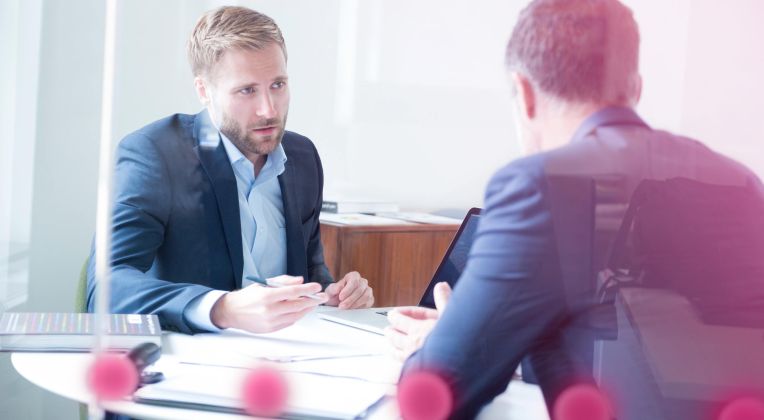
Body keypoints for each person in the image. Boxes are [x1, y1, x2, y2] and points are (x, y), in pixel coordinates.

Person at [385, 0, 763, 418]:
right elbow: (640, 354)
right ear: (635, 89)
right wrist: (478, 336)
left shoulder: (539, 185)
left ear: (525, 94)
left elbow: (440, 391)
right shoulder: (740, 181)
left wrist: (439, 347)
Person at [86, 6, 373, 334]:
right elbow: (105, 290)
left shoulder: (302, 157)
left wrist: (334, 295)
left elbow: (311, 274)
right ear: (204, 91)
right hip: (192, 363)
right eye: (247, 90)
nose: (268, 110)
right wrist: (222, 308)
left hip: (288, 359)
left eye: (277, 85)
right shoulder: (156, 154)